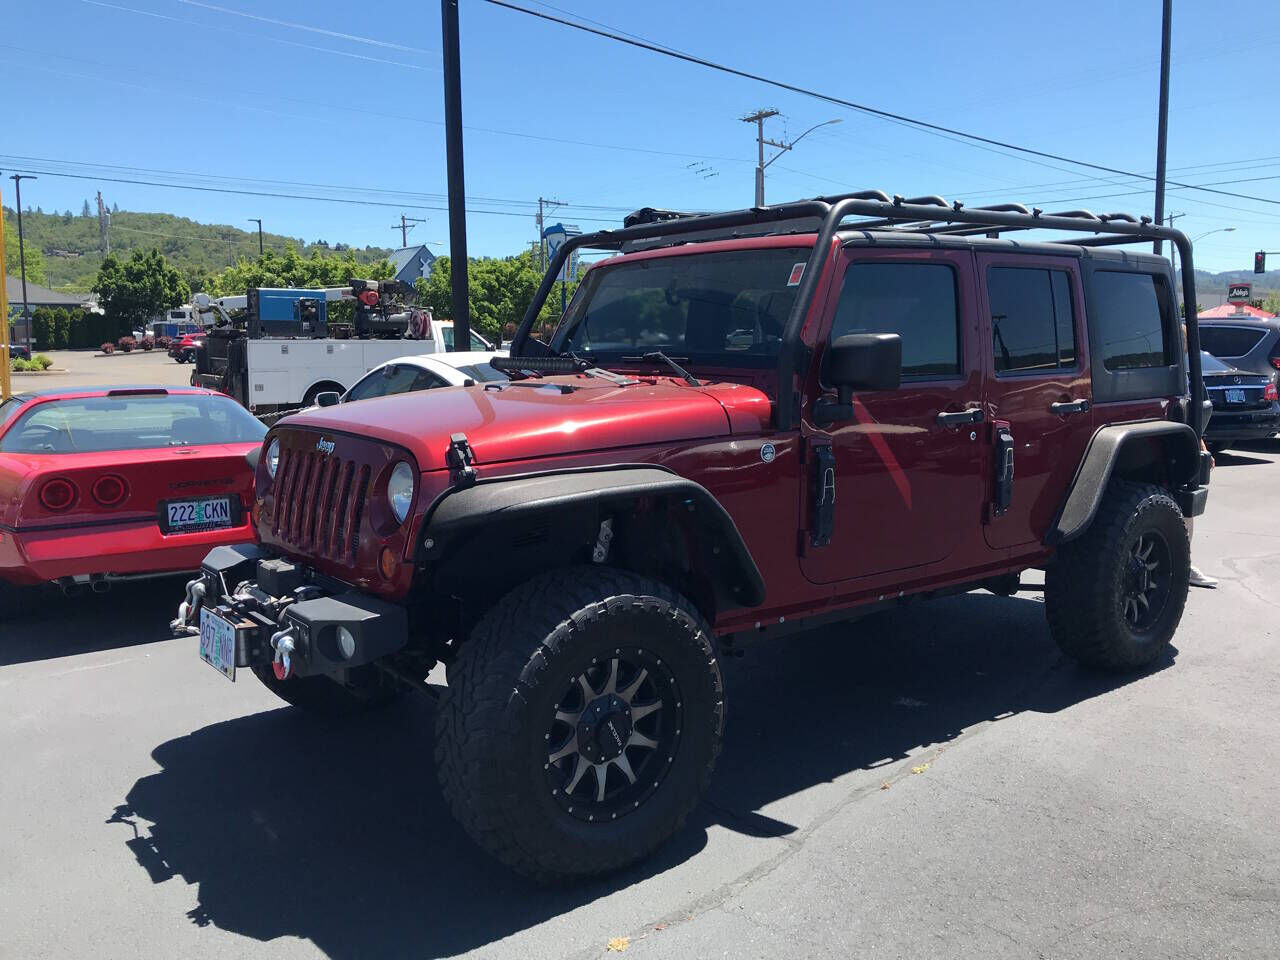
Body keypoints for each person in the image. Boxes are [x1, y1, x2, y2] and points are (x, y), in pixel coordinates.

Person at [1183, 322, 1217, 589]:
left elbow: (1198, 413)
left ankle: (1184, 563)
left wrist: (1203, 446)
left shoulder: (1188, 375)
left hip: (1185, 444)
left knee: (1185, 508)